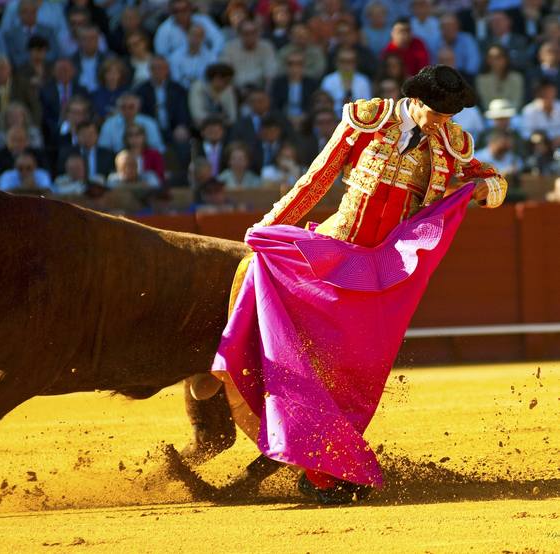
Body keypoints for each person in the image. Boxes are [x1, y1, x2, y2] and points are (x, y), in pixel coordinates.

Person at [196, 65, 508, 505]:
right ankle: (312, 459)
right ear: (416, 101)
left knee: (357, 371)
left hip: (381, 271)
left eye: (448, 117)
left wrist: (482, 190)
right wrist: (267, 227)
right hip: (335, 255)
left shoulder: (449, 142)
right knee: (294, 346)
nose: (441, 124)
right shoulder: (369, 119)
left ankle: (326, 462)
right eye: (436, 114)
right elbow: (318, 178)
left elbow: (494, 179)